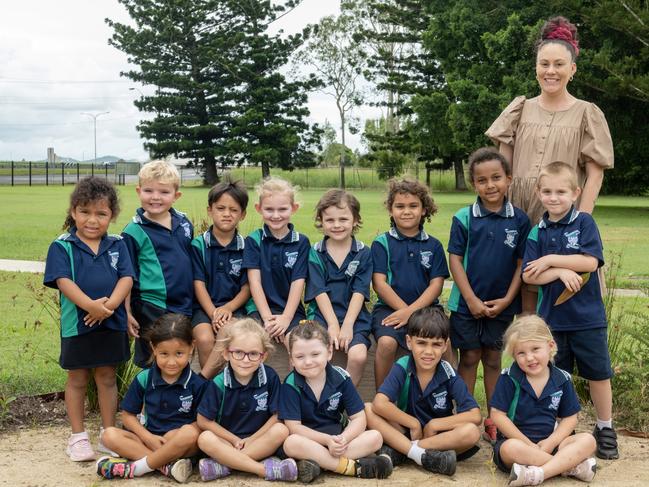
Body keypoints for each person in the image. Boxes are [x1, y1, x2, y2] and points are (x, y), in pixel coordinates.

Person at [522, 161, 617, 460]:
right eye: (547, 191)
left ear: (575, 193)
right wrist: (562, 271)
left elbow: (590, 262)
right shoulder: (537, 231)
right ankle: (564, 431)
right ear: (538, 193)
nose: (554, 198)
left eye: (561, 192)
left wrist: (552, 259)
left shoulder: (584, 223)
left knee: (598, 374)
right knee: (556, 377)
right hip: (553, 322)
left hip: (588, 319)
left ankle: (605, 428)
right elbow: (529, 276)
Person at [486, 16, 613, 225]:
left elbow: (595, 176)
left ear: (572, 69)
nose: (551, 71)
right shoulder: (518, 109)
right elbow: (502, 171)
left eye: (559, 64)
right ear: (536, 68)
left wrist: (581, 224)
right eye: (544, 64)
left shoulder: (587, 114)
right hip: (514, 217)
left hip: (560, 218)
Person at [44, 176, 134, 461]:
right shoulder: (62, 246)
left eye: (101, 213)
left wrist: (110, 305)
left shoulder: (118, 244)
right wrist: (89, 306)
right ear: (73, 212)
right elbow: (62, 281)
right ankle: (78, 437)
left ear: (112, 216)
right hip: (78, 324)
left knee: (107, 377)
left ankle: (109, 434)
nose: (92, 220)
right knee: (78, 377)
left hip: (112, 322)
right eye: (85, 212)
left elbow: (127, 278)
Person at [447, 147, 531, 443]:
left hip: (502, 304)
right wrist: (470, 299)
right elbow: (455, 260)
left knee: (494, 359)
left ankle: (495, 420)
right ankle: (465, 418)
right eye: (482, 180)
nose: (490, 185)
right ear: (474, 184)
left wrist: (508, 299)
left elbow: (521, 264)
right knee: (469, 357)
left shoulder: (520, 220)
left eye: (496, 177)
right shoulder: (463, 217)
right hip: (465, 304)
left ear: (509, 179)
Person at [366, 307, 482, 476]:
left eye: (436, 344)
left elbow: (475, 415)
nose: (428, 352)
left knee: (471, 432)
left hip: (438, 438)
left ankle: (405, 452)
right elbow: (379, 403)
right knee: (368, 409)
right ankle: (423, 456)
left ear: (445, 346)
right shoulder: (403, 366)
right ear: (409, 342)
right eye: (421, 343)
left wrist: (434, 425)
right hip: (406, 432)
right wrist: (413, 423)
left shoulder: (448, 372)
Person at [96, 314, 210, 483]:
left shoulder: (198, 384)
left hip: (181, 443)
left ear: (192, 347)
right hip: (148, 440)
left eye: (179, 353)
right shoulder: (144, 378)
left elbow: (201, 422)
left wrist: (175, 436)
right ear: (153, 348)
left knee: (189, 433)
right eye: (164, 354)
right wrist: (148, 437)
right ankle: (166, 466)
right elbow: (127, 416)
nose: (171, 362)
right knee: (109, 435)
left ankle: (139, 467)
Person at [279, 321, 393, 483]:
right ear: (291, 360)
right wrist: (326, 441)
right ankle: (353, 468)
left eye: (315, 354)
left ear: (329, 352)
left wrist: (343, 439)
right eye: (300, 357)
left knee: (375, 437)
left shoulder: (341, 377)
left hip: (339, 441)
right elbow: (294, 427)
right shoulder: (290, 384)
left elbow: (359, 418)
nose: (308, 362)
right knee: (291, 443)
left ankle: (319, 464)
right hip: (310, 442)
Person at [490, 315, 597, 486]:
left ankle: (539, 473)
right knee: (510, 449)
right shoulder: (509, 377)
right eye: (521, 353)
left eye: (535, 349)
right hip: (519, 444)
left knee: (588, 440)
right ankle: (568, 467)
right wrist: (527, 444)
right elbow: (497, 415)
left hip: (551, 442)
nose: (530, 358)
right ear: (514, 355)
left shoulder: (562, 379)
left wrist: (551, 442)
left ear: (550, 346)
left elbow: (570, 418)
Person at [196, 318, 297, 482]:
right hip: (228, 442)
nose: (245, 360)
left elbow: (277, 415)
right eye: (238, 353)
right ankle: (262, 469)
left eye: (253, 354)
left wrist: (252, 439)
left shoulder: (269, 377)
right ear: (226, 353)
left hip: (259, 441)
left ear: (263, 356)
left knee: (281, 430)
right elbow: (203, 420)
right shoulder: (219, 383)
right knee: (204, 438)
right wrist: (234, 439)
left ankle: (225, 465)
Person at [371, 178, 449, 388]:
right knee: (386, 343)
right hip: (389, 309)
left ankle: (449, 398)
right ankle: (383, 399)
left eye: (413, 206)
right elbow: (379, 283)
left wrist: (412, 312)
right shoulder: (382, 243)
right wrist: (404, 311)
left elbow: (436, 285)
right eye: (400, 206)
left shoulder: (433, 245)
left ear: (424, 210)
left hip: (427, 309)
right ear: (390, 209)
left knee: (446, 343)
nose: (406, 211)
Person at [122, 160, 194, 368]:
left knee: (178, 360)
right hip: (151, 307)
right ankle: (148, 400)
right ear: (138, 191)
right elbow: (127, 276)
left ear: (176, 195)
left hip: (185, 305)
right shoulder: (133, 231)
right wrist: (126, 313)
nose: (155, 197)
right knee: (154, 361)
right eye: (148, 190)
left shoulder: (184, 222)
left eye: (163, 192)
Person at [306, 189, 372, 386]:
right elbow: (319, 290)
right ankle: (316, 401)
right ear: (321, 221)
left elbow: (360, 291)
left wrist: (348, 325)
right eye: (330, 220)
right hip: (321, 316)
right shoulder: (315, 252)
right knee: (316, 355)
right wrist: (333, 325)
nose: (336, 225)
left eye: (343, 219)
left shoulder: (363, 252)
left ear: (355, 220)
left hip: (354, 317)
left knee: (358, 356)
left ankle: (342, 404)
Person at [190, 180, 251, 371]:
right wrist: (213, 313)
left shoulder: (247, 246)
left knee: (227, 333)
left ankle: (208, 384)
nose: (227, 214)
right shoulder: (198, 245)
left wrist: (227, 308)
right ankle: (214, 389)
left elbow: (247, 287)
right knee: (204, 338)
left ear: (243, 215)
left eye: (234, 210)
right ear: (210, 210)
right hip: (203, 308)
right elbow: (198, 283)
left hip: (234, 309)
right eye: (221, 208)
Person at [243, 177, 310, 345]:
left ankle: (294, 373)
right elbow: (255, 283)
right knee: (253, 342)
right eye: (269, 209)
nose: (276, 215)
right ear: (259, 209)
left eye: (282, 209)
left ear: (294, 208)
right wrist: (268, 319)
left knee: (297, 344)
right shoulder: (254, 240)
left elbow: (298, 282)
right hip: (259, 310)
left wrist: (286, 319)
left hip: (291, 311)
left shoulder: (301, 242)